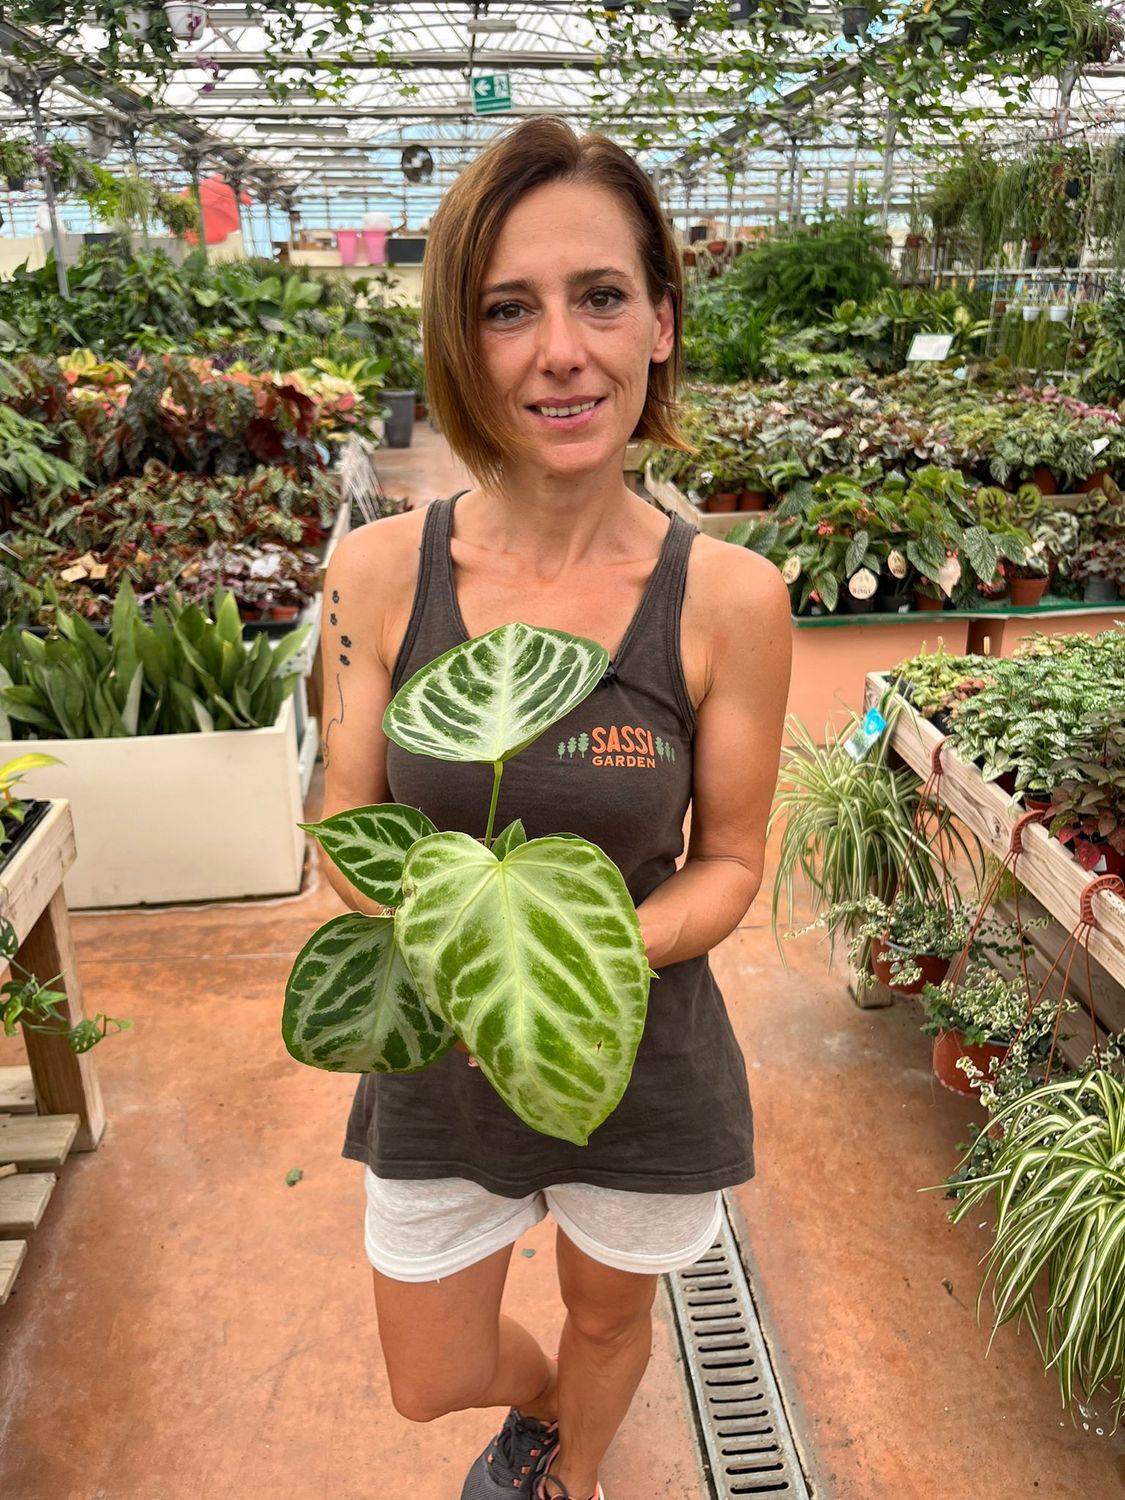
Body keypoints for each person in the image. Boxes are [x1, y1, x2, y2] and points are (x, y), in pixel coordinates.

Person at [318, 116, 791, 1500]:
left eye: (598, 297)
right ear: (462, 347)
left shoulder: (727, 598)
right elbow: (351, 825)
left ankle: (571, 1477)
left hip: (635, 1063)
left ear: (659, 319)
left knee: (604, 1316)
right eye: (505, 310)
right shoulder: (381, 573)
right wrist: (474, 956)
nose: (560, 352)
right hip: (438, 1059)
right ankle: (526, 1417)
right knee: (427, 1373)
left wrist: (573, 967)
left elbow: (734, 862)